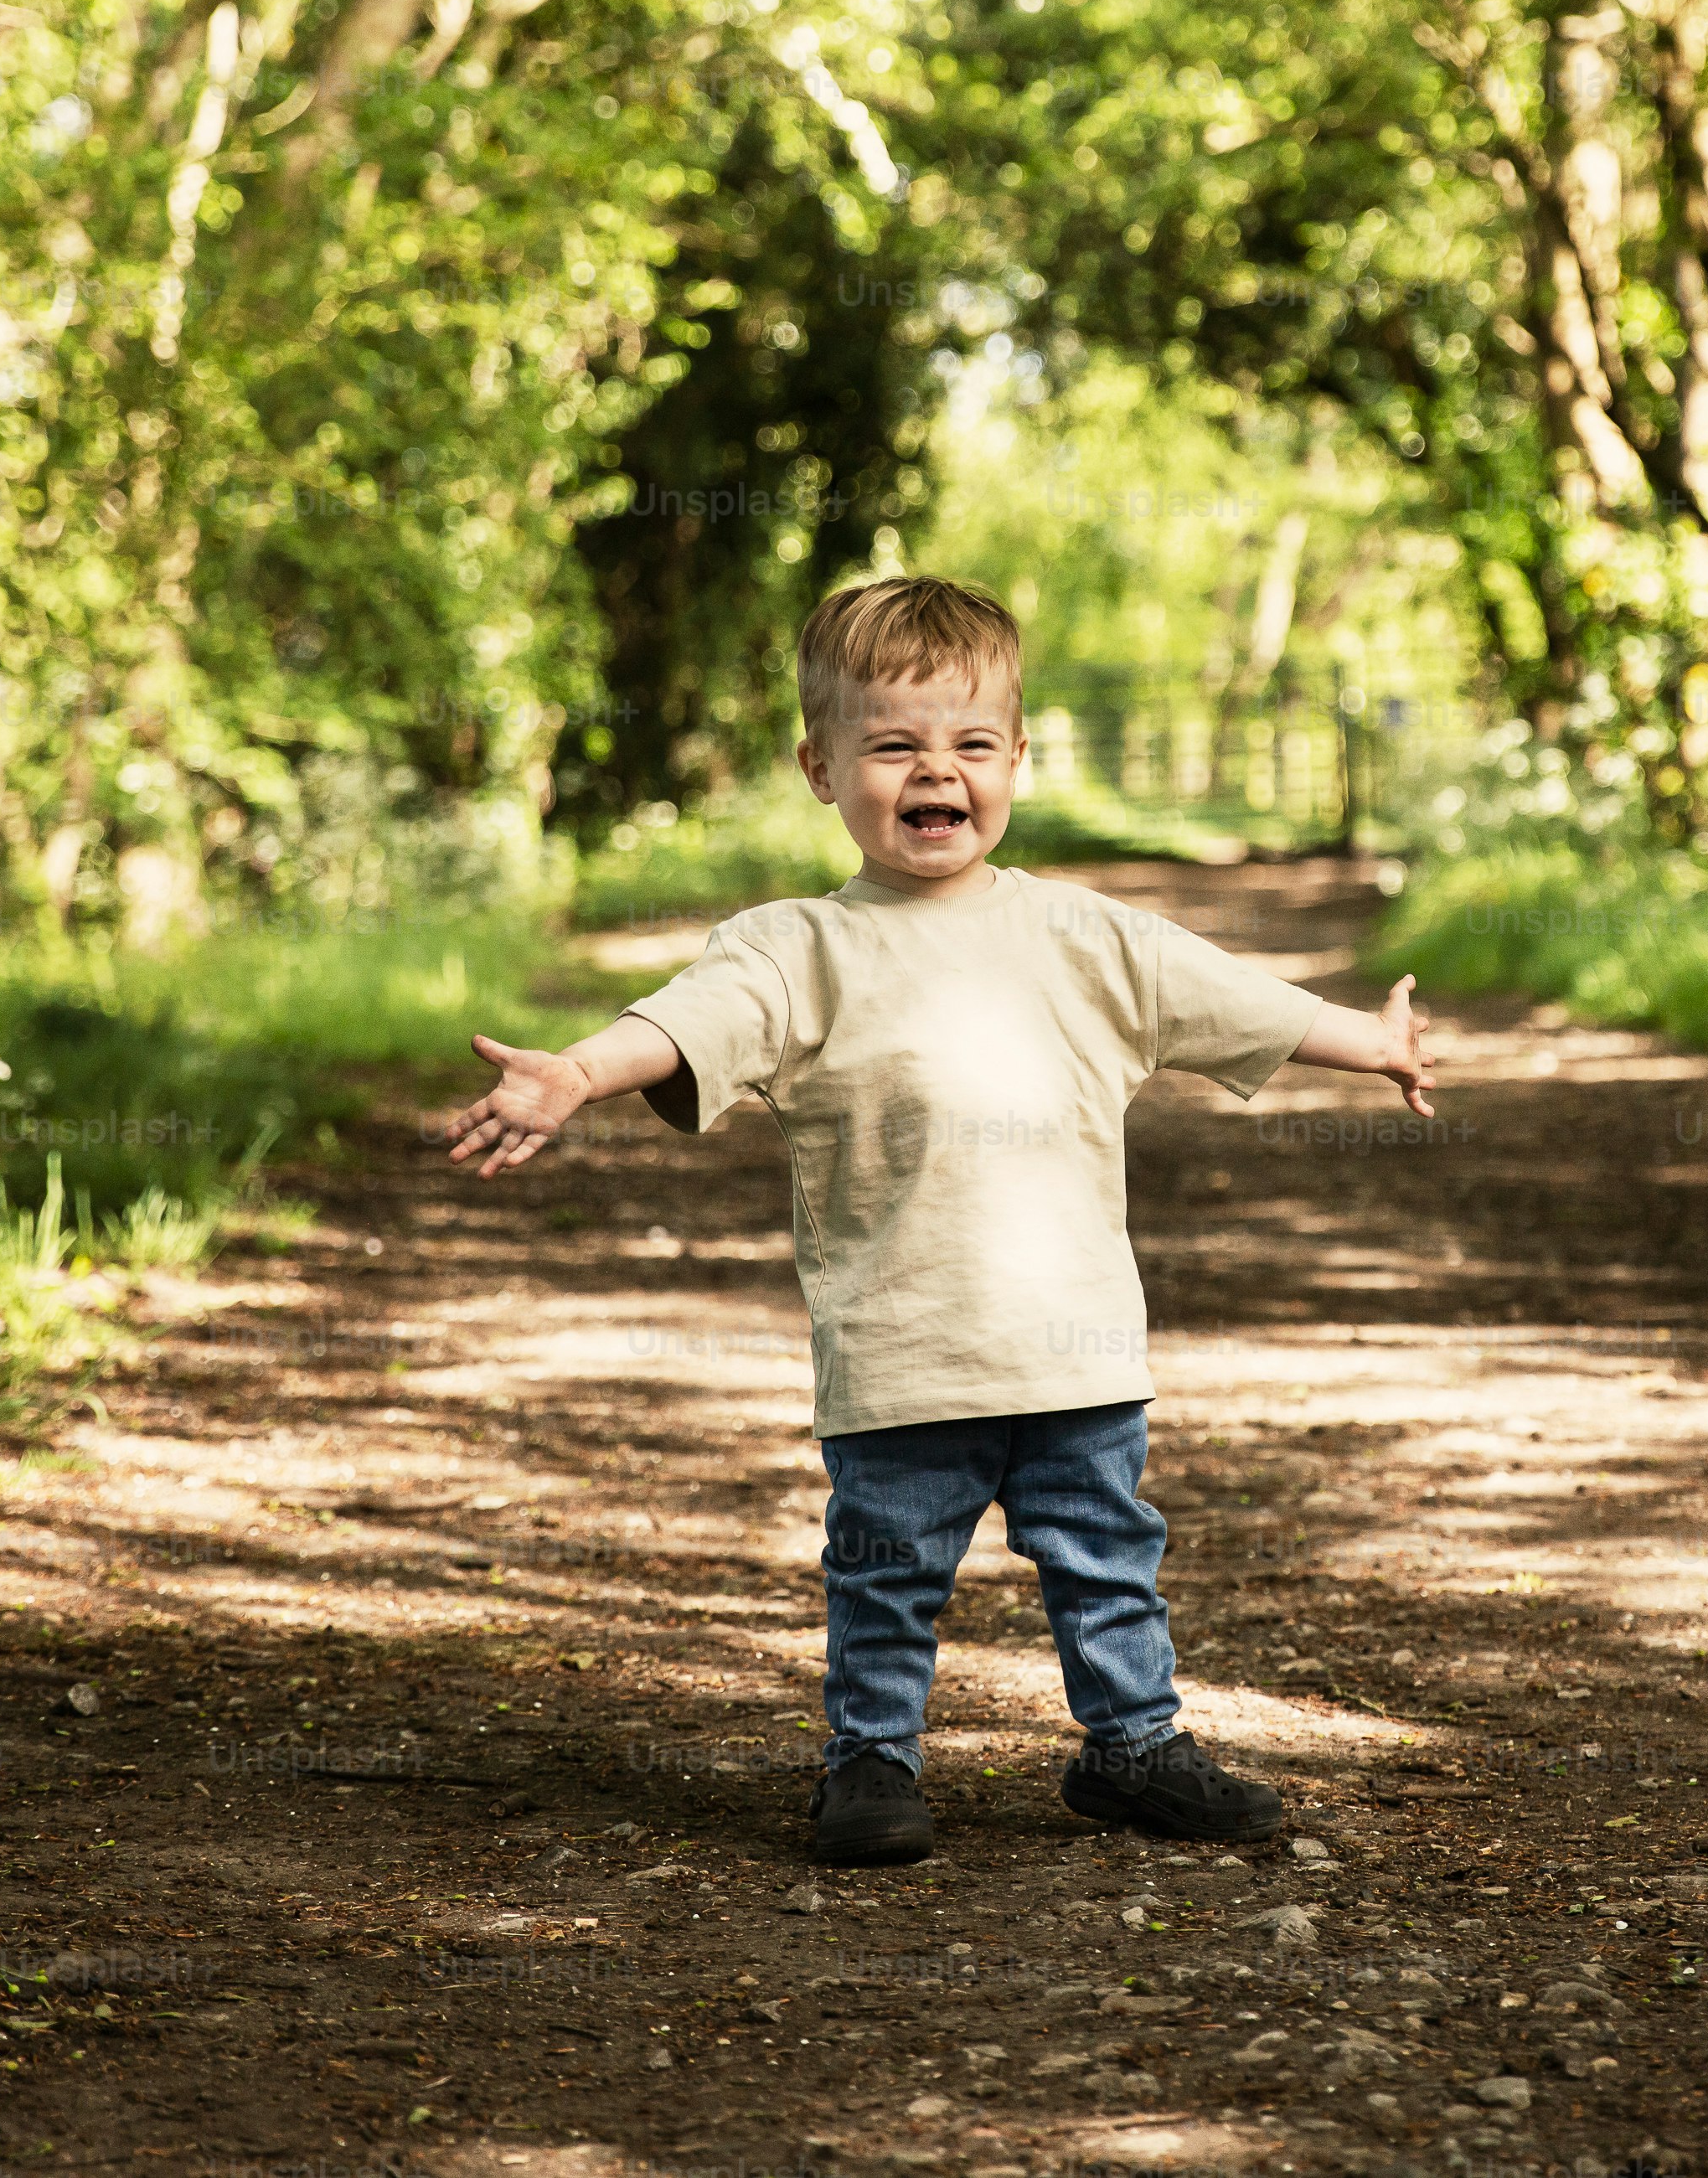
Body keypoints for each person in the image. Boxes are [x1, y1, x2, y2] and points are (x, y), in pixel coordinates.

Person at [446, 575, 1442, 1866]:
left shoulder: (1081, 933)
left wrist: (1369, 1041)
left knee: (1105, 1557)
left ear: (1018, 759)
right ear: (821, 766)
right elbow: (690, 1024)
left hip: (1076, 1348)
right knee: (885, 1569)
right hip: (902, 1352)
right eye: (895, 744)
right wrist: (579, 1069)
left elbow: (1228, 998)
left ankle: (1132, 1745)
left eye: (972, 744)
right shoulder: (796, 947)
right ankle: (869, 1759)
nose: (938, 772)